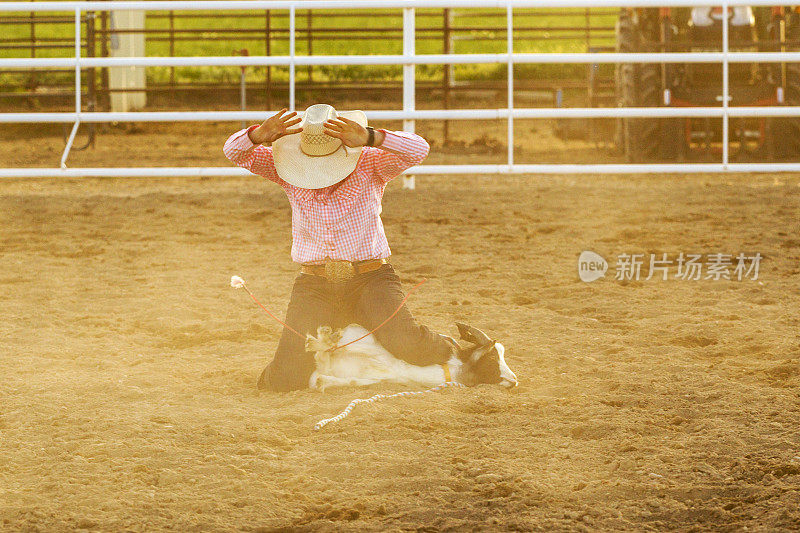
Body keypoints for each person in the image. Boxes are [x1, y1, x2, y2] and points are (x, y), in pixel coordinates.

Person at [223, 103, 457, 391]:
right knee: (285, 378)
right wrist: (258, 134)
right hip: (315, 283)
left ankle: (456, 348)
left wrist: (373, 137)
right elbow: (234, 151)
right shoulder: (286, 168)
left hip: (369, 278)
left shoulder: (369, 162)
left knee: (407, 342)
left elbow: (419, 149)